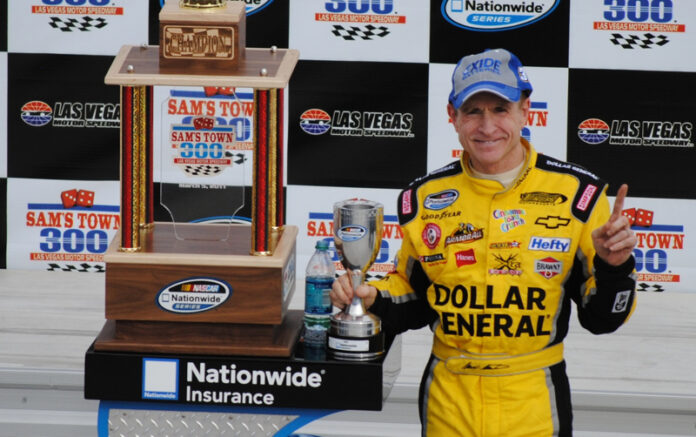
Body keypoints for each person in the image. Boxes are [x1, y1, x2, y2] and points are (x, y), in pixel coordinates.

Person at [330, 48, 637, 437]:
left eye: (500, 109)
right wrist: (370, 295)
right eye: (473, 111)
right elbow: (414, 297)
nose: (487, 126)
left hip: (533, 401)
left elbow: (603, 319)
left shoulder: (579, 194)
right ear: (453, 116)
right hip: (449, 400)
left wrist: (614, 268)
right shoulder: (424, 197)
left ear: (525, 111)